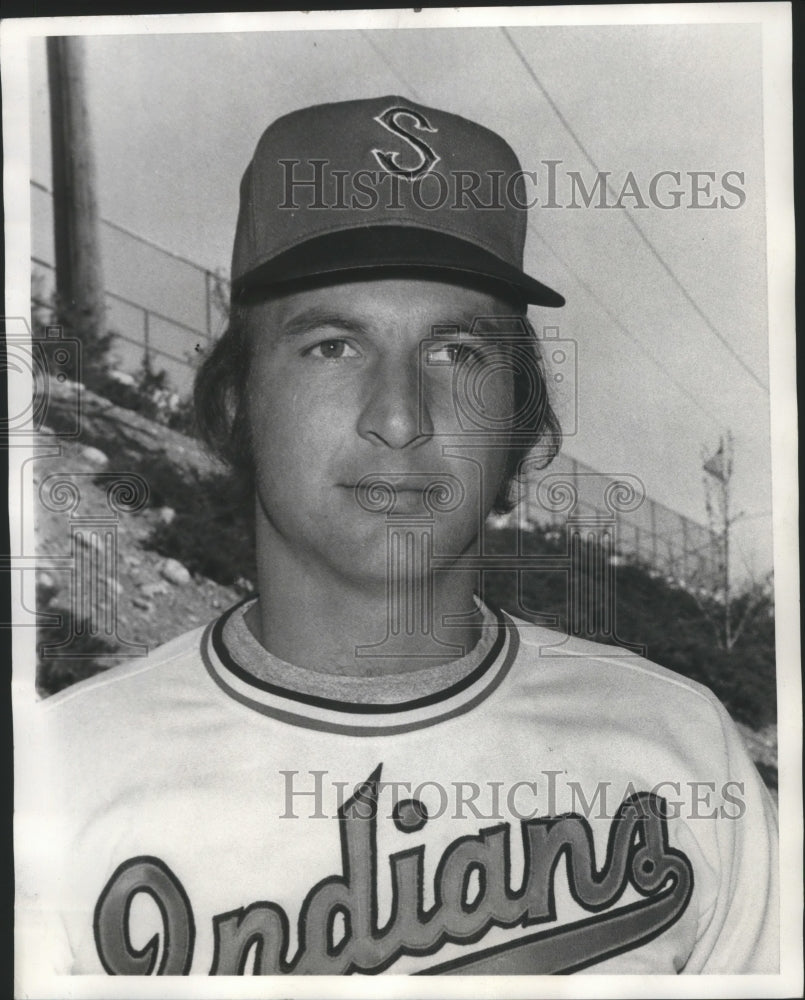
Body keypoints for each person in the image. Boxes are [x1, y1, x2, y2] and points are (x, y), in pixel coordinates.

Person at [24, 96, 778, 976]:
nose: (397, 416)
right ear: (233, 402)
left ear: (521, 423)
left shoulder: (681, 750)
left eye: (454, 353)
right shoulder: (56, 783)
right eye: (333, 347)